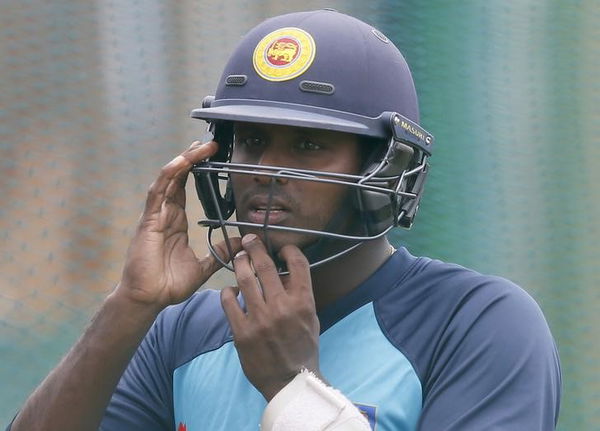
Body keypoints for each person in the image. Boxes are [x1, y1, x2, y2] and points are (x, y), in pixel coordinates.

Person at [8, 9, 560, 431]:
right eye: (250, 141)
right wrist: (129, 309)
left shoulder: (477, 325)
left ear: (385, 167)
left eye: (308, 144)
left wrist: (295, 389)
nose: (267, 171)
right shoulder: (183, 333)